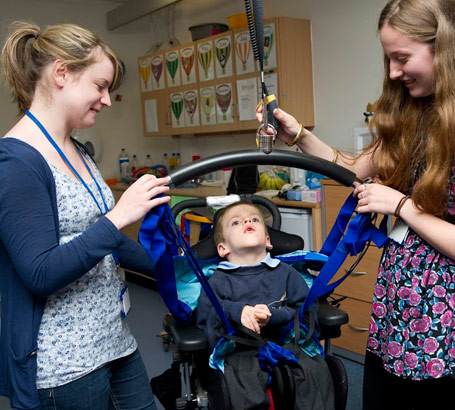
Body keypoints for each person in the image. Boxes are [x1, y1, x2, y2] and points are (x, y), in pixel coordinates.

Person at [257, 0, 455, 408]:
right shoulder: (412, 112)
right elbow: (351, 168)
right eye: (388, 60)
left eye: (402, 58)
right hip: (400, 302)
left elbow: (400, 206)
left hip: (443, 317)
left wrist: (401, 206)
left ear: (445, 48)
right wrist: (299, 136)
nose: (394, 72)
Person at [0, 22, 170, 410]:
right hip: (65, 365)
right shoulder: (15, 163)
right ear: (62, 73)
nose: (107, 100)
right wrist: (119, 216)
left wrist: (179, 266)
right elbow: (40, 274)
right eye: (100, 86)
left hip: (114, 340)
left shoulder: (77, 150)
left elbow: (104, 243)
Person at [196, 201, 318, 350]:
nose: (247, 221)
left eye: (255, 219)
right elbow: (205, 318)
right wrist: (237, 312)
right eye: (236, 222)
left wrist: (274, 317)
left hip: (285, 351)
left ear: (268, 241)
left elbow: (308, 314)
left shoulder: (286, 273)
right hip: (237, 355)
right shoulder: (218, 280)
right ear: (223, 248)